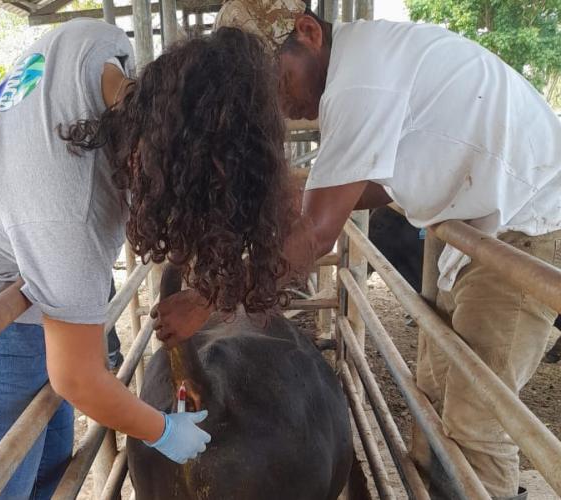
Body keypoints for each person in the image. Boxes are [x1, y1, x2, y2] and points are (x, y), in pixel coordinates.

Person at [153, 2, 561, 499]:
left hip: (526, 226)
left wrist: (208, 299)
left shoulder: (360, 82)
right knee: (433, 403)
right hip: (471, 226)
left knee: (477, 422)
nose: (279, 105)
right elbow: (369, 188)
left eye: (276, 83)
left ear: (308, 33)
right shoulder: (365, 65)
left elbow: (317, 236)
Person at [0, 18, 295, 499]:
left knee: (42, 477)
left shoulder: (94, 41)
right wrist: (164, 431)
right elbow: (77, 377)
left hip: (17, 290)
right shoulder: (69, 213)